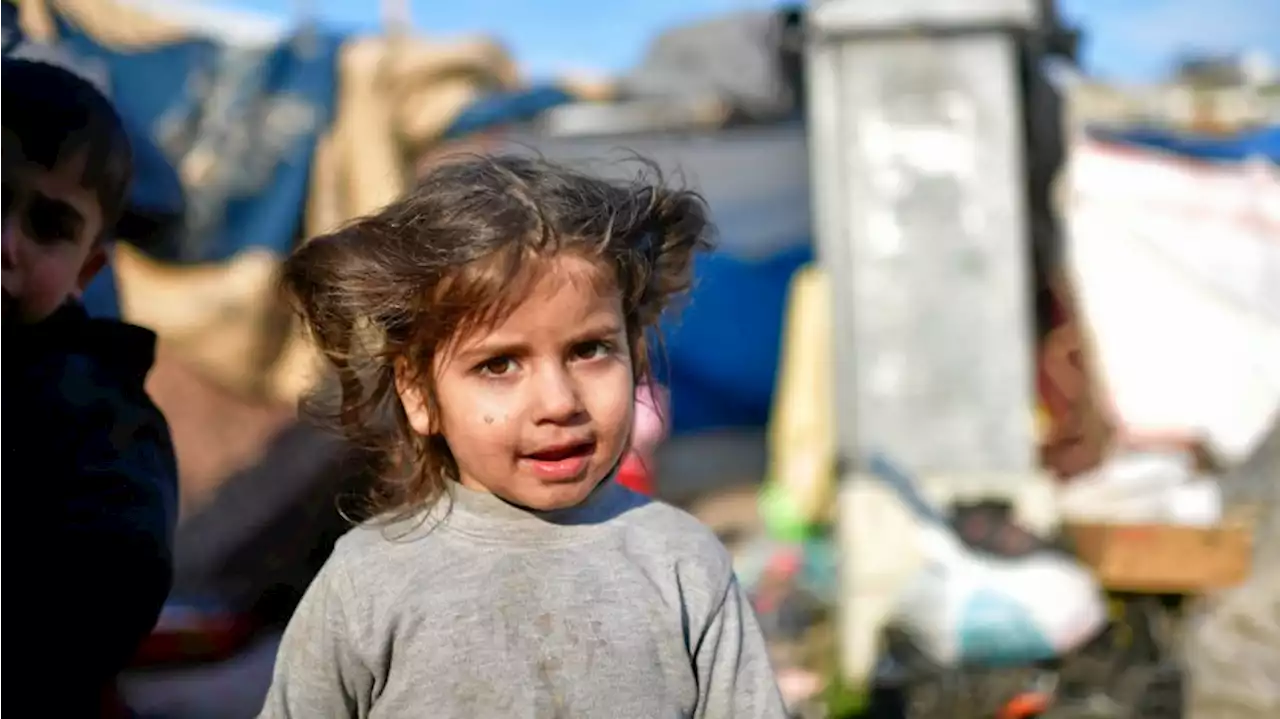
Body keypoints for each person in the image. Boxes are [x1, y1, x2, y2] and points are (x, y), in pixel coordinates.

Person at [259, 154, 787, 718]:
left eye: (589, 351)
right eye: (499, 365)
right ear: (417, 393)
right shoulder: (367, 583)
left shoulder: (681, 564)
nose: (559, 403)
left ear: (634, 355)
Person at [1, 58, 179, 714]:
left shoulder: (100, 414)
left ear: (87, 270)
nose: (6, 244)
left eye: (49, 226)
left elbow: (112, 583)